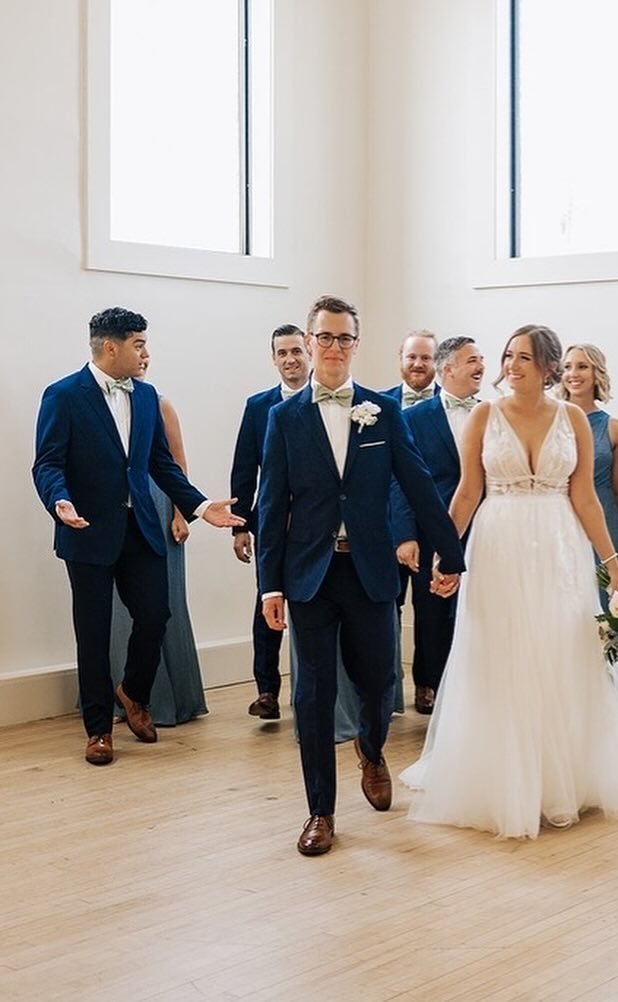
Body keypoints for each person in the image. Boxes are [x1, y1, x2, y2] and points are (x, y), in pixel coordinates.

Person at [401, 324, 618, 839]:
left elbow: (585, 497)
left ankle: (560, 776)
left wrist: (613, 567)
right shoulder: (483, 415)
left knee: (559, 651)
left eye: (524, 357)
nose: (511, 365)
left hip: (560, 547)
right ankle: (497, 776)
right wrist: (446, 557)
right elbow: (467, 494)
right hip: (498, 543)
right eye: (508, 356)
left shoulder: (573, 420)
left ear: (548, 367)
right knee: (500, 653)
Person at [256, 296, 464, 856]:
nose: (332, 348)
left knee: (377, 682)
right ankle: (319, 811)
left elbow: (419, 485)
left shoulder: (382, 411)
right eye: (323, 337)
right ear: (309, 340)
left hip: (372, 570)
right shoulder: (283, 417)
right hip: (310, 575)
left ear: (356, 344)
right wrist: (269, 585)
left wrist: (453, 554)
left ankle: (371, 750)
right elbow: (271, 505)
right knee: (314, 694)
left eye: (344, 338)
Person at [32, 307, 244, 766]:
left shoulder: (146, 397)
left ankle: (133, 691)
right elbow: (47, 462)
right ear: (112, 346)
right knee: (92, 634)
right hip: (85, 532)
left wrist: (202, 507)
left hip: (139, 529)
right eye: (139, 343)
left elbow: (161, 465)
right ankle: (98, 731)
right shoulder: (63, 395)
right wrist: (59, 501)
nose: (147, 352)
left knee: (156, 615)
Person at [390, 335, 485, 714]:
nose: (481, 367)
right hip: (431, 529)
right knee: (431, 616)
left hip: (484, 527)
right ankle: (430, 684)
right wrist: (406, 535)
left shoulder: (491, 412)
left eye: (482, 359)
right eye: (472, 360)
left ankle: (474, 689)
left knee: (478, 609)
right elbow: (399, 480)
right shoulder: (412, 417)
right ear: (447, 369)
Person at [110, 365, 207, 726]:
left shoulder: (159, 403)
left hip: (161, 508)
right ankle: (123, 698)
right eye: (137, 350)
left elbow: (177, 462)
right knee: (120, 612)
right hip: (119, 510)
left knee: (163, 607)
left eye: (145, 352)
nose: (143, 358)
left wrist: (182, 514)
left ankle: (167, 700)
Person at [230, 324, 311, 720]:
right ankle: (266, 690)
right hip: (269, 523)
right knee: (267, 602)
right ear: (274, 358)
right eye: (282, 353)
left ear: (309, 352)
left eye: (296, 350)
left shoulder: (327, 401)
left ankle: (313, 691)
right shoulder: (257, 406)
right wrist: (240, 525)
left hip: (317, 523)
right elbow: (245, 468)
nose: (290, 359)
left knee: (315, 606)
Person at [381, 329, 440, 710]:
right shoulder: (375, 405)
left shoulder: (451, 407)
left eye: (425, 358)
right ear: (400, 358)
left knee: (431, 611)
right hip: (384, 524)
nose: (418, 364)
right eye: (411, 357)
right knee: (384, 608)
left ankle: (428, 683)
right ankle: (384, 688)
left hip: (432, 524)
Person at [558, 343, 618, 604]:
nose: (573, 373)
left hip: (604, 517)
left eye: (582, 366)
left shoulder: (616, 429)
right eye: (567, 367)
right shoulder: (549, 420)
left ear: (596, 372)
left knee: (605, 602)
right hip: (562, 516)